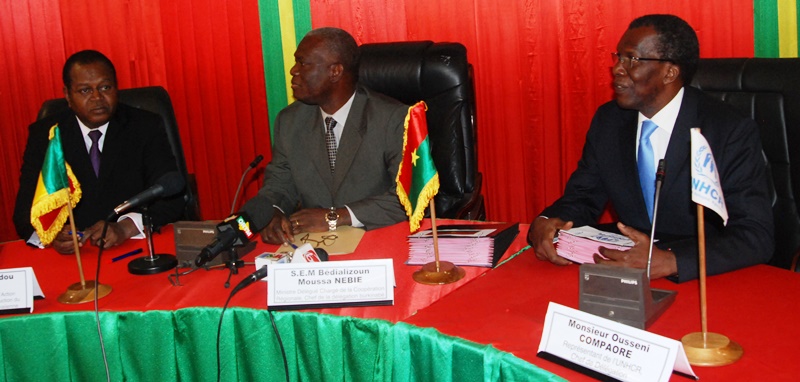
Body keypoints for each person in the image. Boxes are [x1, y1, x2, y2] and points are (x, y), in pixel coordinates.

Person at [527, 14, 774, 282]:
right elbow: (583, 198)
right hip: (626, 274)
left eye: (632, 59)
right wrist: (547, 221)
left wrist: (671, 261)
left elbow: (755, 234)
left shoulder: (728, 130)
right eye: (618, 57)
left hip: (702, 277)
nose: (617, 69)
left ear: (669, 72)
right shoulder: (609, 121)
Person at [241, 27, 407, 244]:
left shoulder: (393, 119)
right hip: (314, 245)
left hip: (378, 240)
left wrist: (336, 217)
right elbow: (280, 185)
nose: (293, 71)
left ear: (335, 71)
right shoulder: (290, 121)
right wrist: (273, 211)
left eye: (303, 63)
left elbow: (406, 199)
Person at [13, 50, 185, 253]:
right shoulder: (47, 134)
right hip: (76, 256)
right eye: (85, 90)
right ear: (67, 95)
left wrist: (126, 227)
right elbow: (24, 213)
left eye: (105, 87)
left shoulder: (145, 126)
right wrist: (51, 234)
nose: (97, 98)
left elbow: (172, 198)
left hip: (134, 248)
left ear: (116, 88)